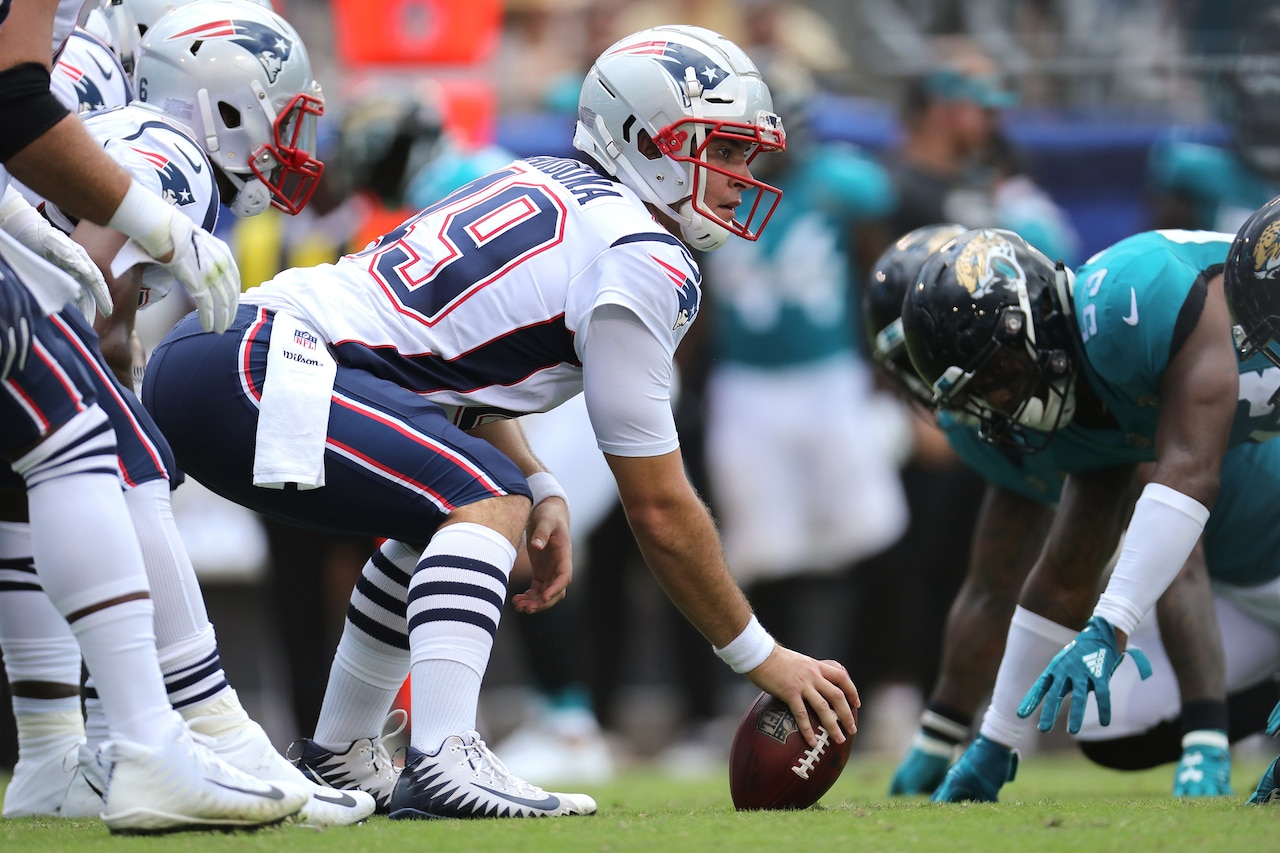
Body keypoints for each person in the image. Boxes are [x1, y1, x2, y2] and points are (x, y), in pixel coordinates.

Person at [140, 24, 860, 819]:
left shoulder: (548, 182)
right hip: (265, 360)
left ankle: (340, 755)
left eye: (744, 155)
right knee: (483, 498)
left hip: (231, 350)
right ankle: (447, 754)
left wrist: (544, 481)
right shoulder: (642, 253)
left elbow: (445, 363)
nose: (737, 176)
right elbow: (657, 505)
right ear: (643, 138)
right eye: (719, 150)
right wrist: (762, 657)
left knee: (449, 510)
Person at [0, 0, 373, 827]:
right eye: (281, 118)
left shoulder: (112, 109)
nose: (290, 144)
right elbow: (83, 283)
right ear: (225, 102)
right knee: (117, 452)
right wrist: (102, 355)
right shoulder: (171, 149)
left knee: (29, 486)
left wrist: (115, 336)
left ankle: (59, 748)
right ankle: (206, 726)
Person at [898, 224, 1280, 803]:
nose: (999, 406)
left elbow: (1190, 473)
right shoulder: (1080, 391)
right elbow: (1066, 572)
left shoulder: (1133, 299)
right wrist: (995, 739)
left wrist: (1110, 624)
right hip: (1252, 584)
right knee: (1107, 721)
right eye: (979, 395)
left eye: (998, 377)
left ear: (1030, 320)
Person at [698, 60, 907, 658]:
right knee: (764, 548)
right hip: (745, 383)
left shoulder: (841, 184)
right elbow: (701, 297)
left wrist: (886, 370)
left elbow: (880, 279)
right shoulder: (706, 186)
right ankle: (781, 697)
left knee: (870, 531)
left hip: (831, 376)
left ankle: (886, 683)